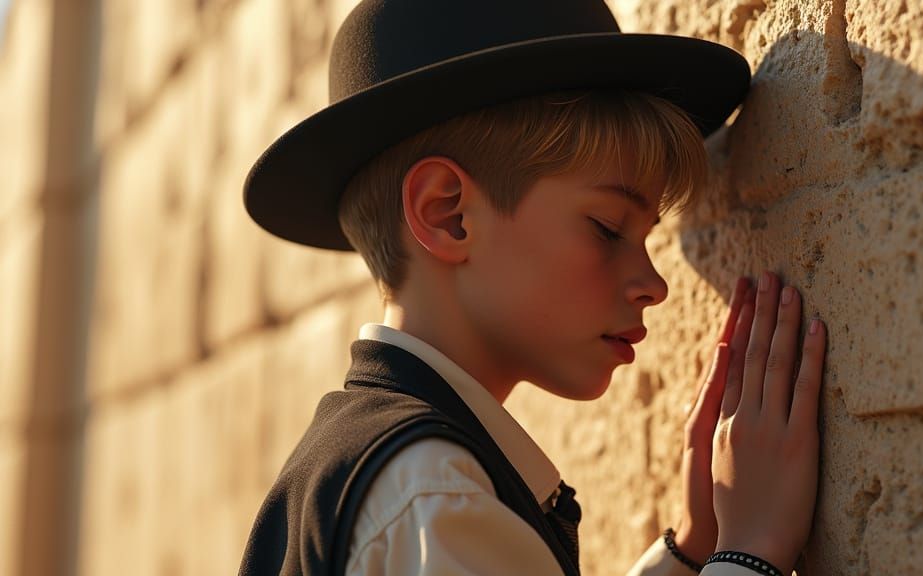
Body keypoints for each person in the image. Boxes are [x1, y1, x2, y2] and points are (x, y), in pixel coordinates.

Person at [238, 1, 828, 575]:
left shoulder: (371, 466)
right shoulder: (432, 500)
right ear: (449, 215)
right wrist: (751, 550)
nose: (654, 286)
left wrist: (693, 550)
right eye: (607, 228)